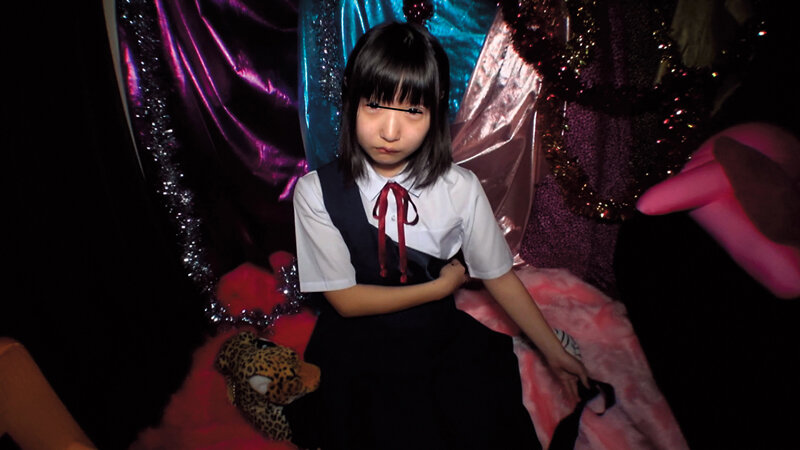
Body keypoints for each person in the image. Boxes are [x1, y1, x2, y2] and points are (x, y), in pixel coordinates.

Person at [288, 21, 589, 450]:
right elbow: (346, 301)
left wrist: (553, 352)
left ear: (435, 112)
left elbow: (499, 276)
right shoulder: (315, 191)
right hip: (358, 350)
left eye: (412, 111)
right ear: (351, 101)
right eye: (374, 106)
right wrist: (440, 288)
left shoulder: (459, 188)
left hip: (436, 343)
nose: (390, 132)